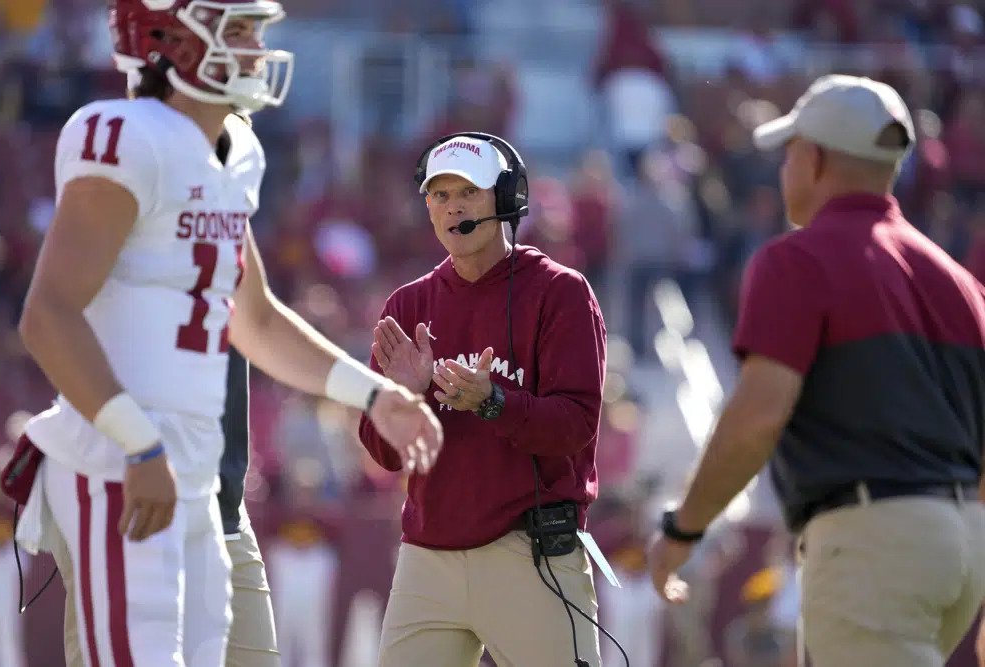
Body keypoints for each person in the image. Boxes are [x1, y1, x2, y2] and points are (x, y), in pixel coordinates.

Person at [11, 1, 443, 666]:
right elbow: (48, 314)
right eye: (237, 32)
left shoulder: (232, 151)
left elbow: (257, 319)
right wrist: (138, 444)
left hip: (193, 465)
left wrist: (374, 394)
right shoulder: (127, 135)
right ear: (170, 44)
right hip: (118, 457)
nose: (255, 50)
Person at [646, 74, 985, 666]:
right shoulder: (960, 283)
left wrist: (683, 531)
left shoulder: (796, 260)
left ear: (815, 157)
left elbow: (757, 417)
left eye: (790, 152)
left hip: (874, 541)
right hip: (965, 547)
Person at [357, 133, 608, 666]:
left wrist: (493, 400)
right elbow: (383, 453)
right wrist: (405, 396)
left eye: (467, 192)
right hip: (428, 556)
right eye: (440, 195)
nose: (453, 208)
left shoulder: (561, 292)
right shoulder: (408, 303)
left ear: (507, 199)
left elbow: (576, 425)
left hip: (530, 553)